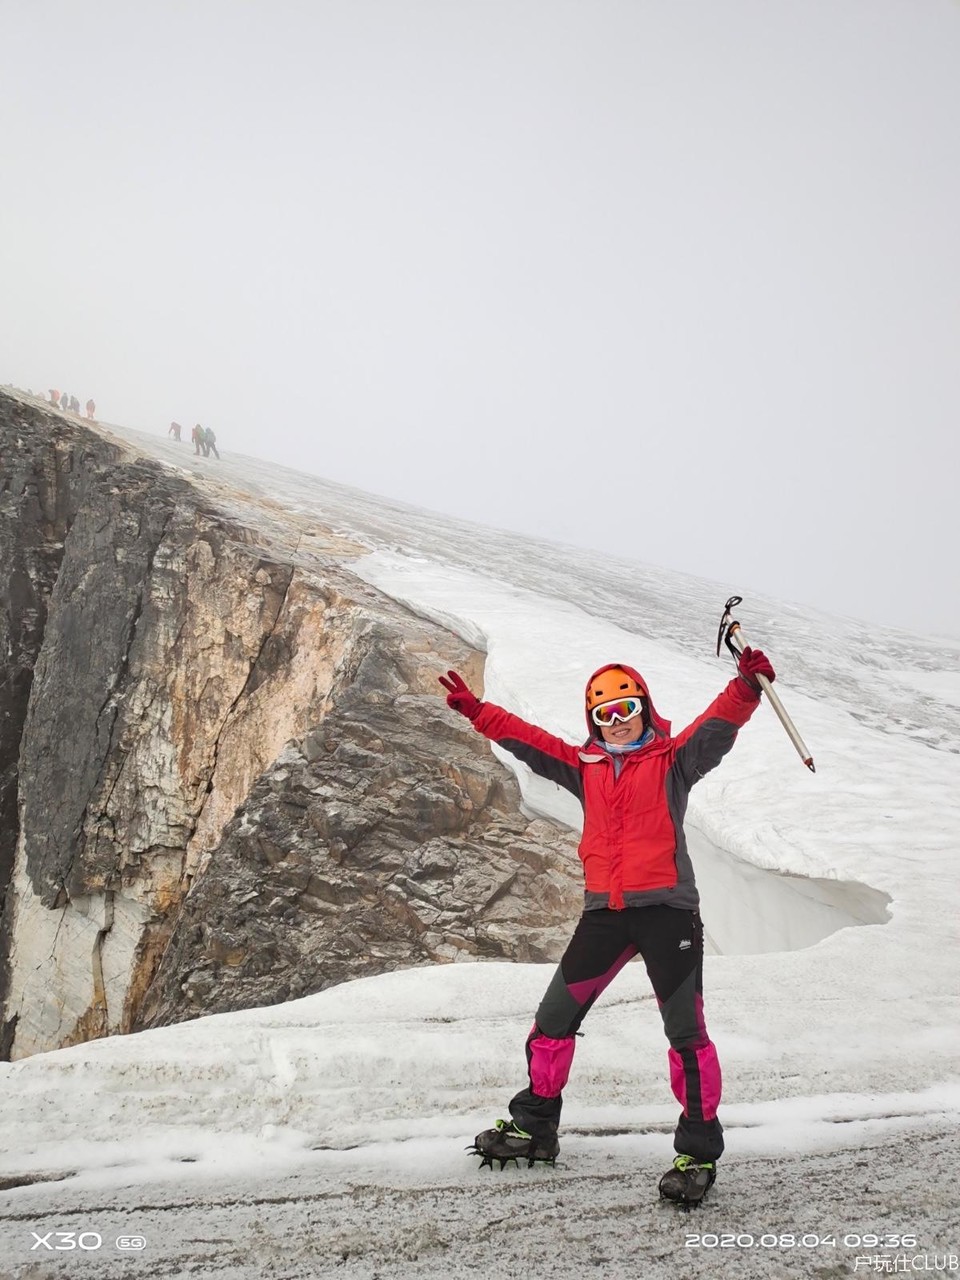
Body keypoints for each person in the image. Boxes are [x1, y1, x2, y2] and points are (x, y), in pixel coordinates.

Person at [438, 644, 776, 1207]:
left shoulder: (674, 761)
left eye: (626, 709)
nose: (617, 721)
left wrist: (744, 688)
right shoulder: (585, 767)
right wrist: (478, 711)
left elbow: (715, 728)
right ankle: (536, 1128)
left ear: (644, 709)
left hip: (668, 914)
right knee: (552, 1022)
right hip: (604, 916)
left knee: (686, 1036)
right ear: (593, 721)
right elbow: (529, 742)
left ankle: (696, 1154)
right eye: (605, 714)